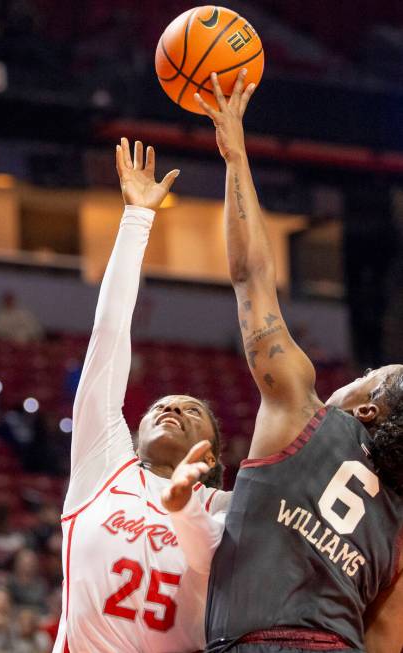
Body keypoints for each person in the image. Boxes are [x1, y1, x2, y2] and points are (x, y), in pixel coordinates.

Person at [163, 71, 403, 653]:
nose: (352, 378)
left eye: (365, 376)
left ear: (367, 409)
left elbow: (252, 277)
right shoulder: (400, 530)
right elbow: (389, 638)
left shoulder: (300, 406)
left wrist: (235, 153)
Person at [53, 139, 231, 653]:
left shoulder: (226, 507)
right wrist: (136, 219)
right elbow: (108, 333)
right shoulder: (102, 464)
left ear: (213, 454)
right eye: (161, 406)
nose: (172, 407)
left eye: (191, 410)